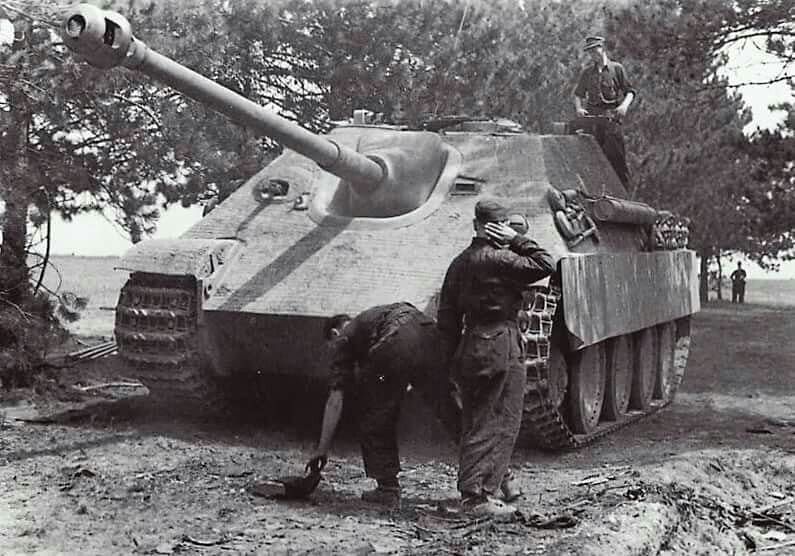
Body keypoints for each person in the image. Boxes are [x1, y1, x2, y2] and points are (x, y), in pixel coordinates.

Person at [437, 199, 555, 516]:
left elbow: (447, 317)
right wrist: (516, 239)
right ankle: (475, 497)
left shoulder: (459, 262)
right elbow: (546, 263)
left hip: (473, 343)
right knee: (498, 419)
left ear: (475, 224)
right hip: (501, 342)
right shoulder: (501, 258)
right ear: (496, 227)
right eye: (503, 225)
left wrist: (450, 361)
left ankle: (487, 487)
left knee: (482, 417)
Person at [305, 302, 460, 508]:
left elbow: (335, 400)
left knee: (373, 411)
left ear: (334, 333)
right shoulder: (372, 318)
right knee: (448, 407)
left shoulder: (344, 337)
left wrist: (322, 449)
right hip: (428, 332)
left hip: (396, 340)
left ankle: (387, 489)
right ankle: (488, 478)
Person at [572, 35, 637, 186]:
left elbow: (630, 91)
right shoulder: (587, 73)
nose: (592, 54)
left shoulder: (617, 69)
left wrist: (624, 106)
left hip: (611, 121)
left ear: (602, 48)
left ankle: (622, 194)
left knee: (617, 161)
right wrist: (579, 109)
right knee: (591, 161)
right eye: (590, 51)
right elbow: (578, 94)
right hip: (592, 123)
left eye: (595, 50)